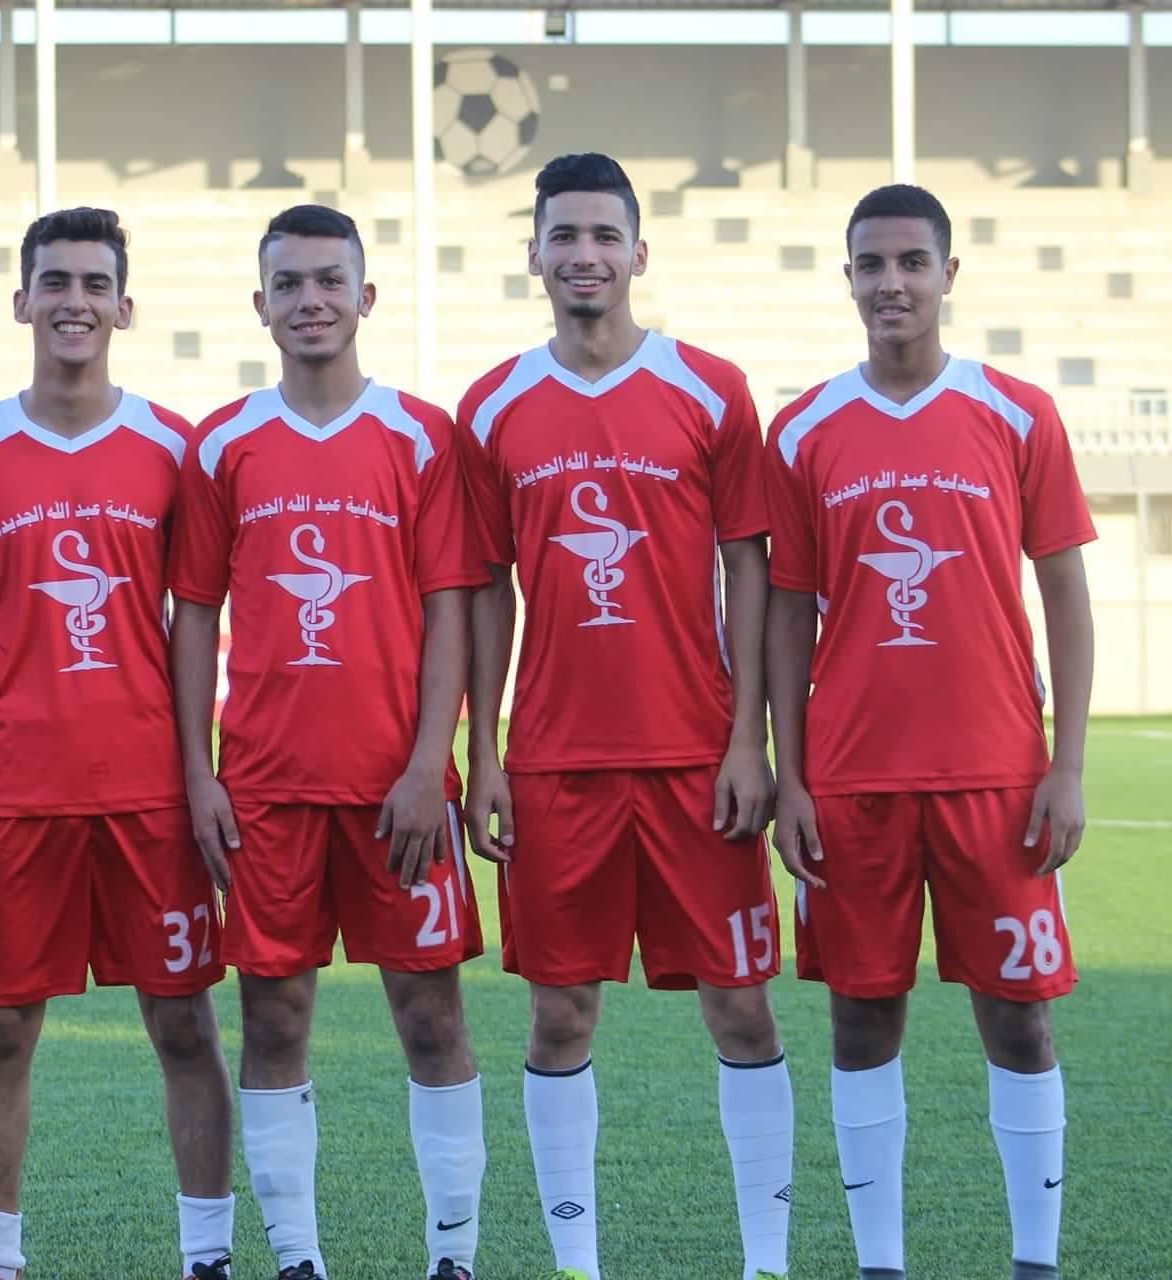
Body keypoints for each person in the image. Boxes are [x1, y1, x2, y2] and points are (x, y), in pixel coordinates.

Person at [458, 152, 791, 1280]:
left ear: (638, 253)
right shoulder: (493, 405)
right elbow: (482, 592)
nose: (584, 254)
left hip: (698, 758)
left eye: (605, 235)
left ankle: (768, 1261)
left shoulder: (710, 388)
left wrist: (750, 738)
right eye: (565, 236)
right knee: (559, 1022)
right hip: (555, 765)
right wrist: (486, 750)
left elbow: (751, 569)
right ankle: (577, 1265)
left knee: (744, 1012)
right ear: (537, 254)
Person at [765, 183, 1094, 1280]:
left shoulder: (1018, 413)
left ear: (949, 275)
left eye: (912, 260)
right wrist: (790, 774)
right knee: (862, 1024)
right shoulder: (805, 428)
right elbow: (783, 610)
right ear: (847, 277)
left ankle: (1034, 1260)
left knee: (1021, 1023)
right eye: (871, 263)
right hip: (854, 782)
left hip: (997, 777)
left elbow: (1065, 594)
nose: (891, 282)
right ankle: (881, 1263)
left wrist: (1068, 763)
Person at [169, 204, 488, 1280]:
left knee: (433, 1013)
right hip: (264, 786)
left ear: (366, 296)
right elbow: (196, 614)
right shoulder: (222, 443)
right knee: (275, 1012)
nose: (311, 300)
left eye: (329, 281)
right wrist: (199, 772)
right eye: (290, 283)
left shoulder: (421, 434)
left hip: (397, 789)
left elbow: (451, 604)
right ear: (261, 305)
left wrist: (421, 764)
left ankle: (454, 1254)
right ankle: (298, 1258)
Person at [0, 206, 235, 1280]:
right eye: (54, 280)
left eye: (94, 282)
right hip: (18, 785)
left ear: (124, 304)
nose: (74, 299)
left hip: (147, 785)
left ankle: (207, 1250)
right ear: (22, 300)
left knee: (184, 1023)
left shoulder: (175, 448)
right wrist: (17, 665)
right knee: (4, 1029)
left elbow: (194, 610)